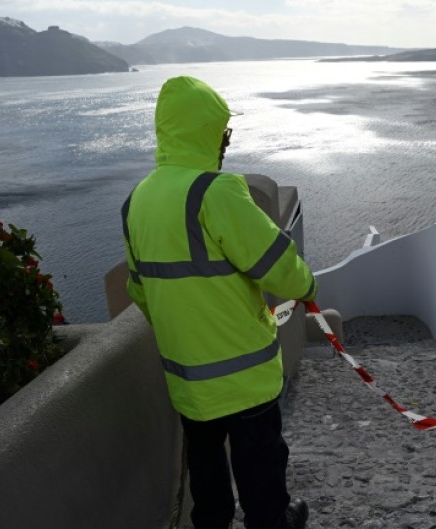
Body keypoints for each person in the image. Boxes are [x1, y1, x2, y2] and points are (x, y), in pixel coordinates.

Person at [121, 76, 316, 529]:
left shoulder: (136, 203)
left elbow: (140, 292)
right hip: (245, 377)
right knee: (262, 479)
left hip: (189, 383)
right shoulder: (217, 192)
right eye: (224, 132)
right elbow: (277, 265)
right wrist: (307, 287)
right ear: (207, 131)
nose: (227, 142)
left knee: (207, 486)